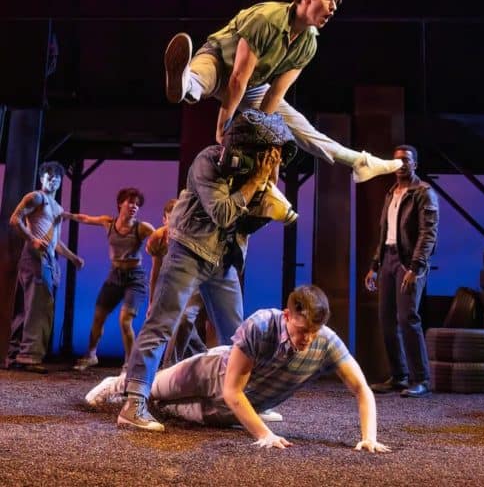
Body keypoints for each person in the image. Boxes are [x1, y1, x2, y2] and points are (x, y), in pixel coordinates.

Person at [117, 109, 295, 430]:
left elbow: (246, 223)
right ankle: (133, 403)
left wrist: (269, 185)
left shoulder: (254, 175)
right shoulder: (209, 161)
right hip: (189, 250)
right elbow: (224, 213)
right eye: (265, 152)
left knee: (238, 336)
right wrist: (256, 180)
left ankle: (240, 401)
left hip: (222, 258)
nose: (267, 159)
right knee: (161, 324)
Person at [163, 0, 401, 190]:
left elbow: (276, 93)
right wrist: (222, 128)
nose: (334, 7)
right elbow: (237, 78)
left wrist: (259, 132)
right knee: (199, 79)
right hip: (219, 60)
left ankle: (359, 161)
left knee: (299, 125)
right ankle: (183, 82)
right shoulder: (267, 18)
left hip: (253, 86)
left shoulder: (309, 43)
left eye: (337, 2)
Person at [86, 284, 389, 453]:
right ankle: (117, 383)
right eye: (301, 330)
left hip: (232, 409)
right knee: (152, 389)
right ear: (287, 316)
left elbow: (361, 389)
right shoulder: (261, 324)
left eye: (314, 331)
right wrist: (264, 434)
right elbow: (232, 389)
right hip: (213, 373)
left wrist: (369, 436)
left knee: (164, 410)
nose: (307, 339)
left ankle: (146, 400)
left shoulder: (326, 342)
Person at [365, 145, 438, 398]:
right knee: (386, 319)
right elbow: (385, 232)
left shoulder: (424, 193)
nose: (401, 164)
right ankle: (399, 376)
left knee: (407, 318)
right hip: (388, 259)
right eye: (397, 160)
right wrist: (375, 266)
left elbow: (428, 234)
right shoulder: (391, 193)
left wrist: (415, 267)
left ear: (415, 164)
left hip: (409, 262)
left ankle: (421, 379)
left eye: (406, 160)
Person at [5, 161, 84, 373]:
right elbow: (15, 219)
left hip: (47, 260)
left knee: (32, 308)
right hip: (34, 258)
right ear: (42, 179)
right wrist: (31, 239)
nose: (53, 180)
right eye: (48, 176)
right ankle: (28, 357)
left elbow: (55, 241)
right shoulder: (36, 197)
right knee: (37, 308)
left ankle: (15, 355)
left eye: (56, 177)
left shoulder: (57, 207)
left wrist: (73, 257)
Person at [71, 188, 156, 370]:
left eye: (136, 204)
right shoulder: (108, 222)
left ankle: (130, 363)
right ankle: (91, 355)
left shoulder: (141, 227)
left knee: (125, 320)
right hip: (114, 276)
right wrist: (64, 215)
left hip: (135, 279)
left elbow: (160, 237)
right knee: (98, 317)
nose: (134, 206)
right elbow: (85, 218)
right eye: (130, 202)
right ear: (120, 204)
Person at [146, 197, 215, 367]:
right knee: (180, 322)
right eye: (172, 218)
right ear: (165, 219)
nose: (177, 222)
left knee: (183, 318)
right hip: (176, 283)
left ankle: (169, 366)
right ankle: (205, 360)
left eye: (181, 217)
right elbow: (156, 272)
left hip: (200, 281)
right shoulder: (159, 238)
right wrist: (152, 302)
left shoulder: (194, 235)